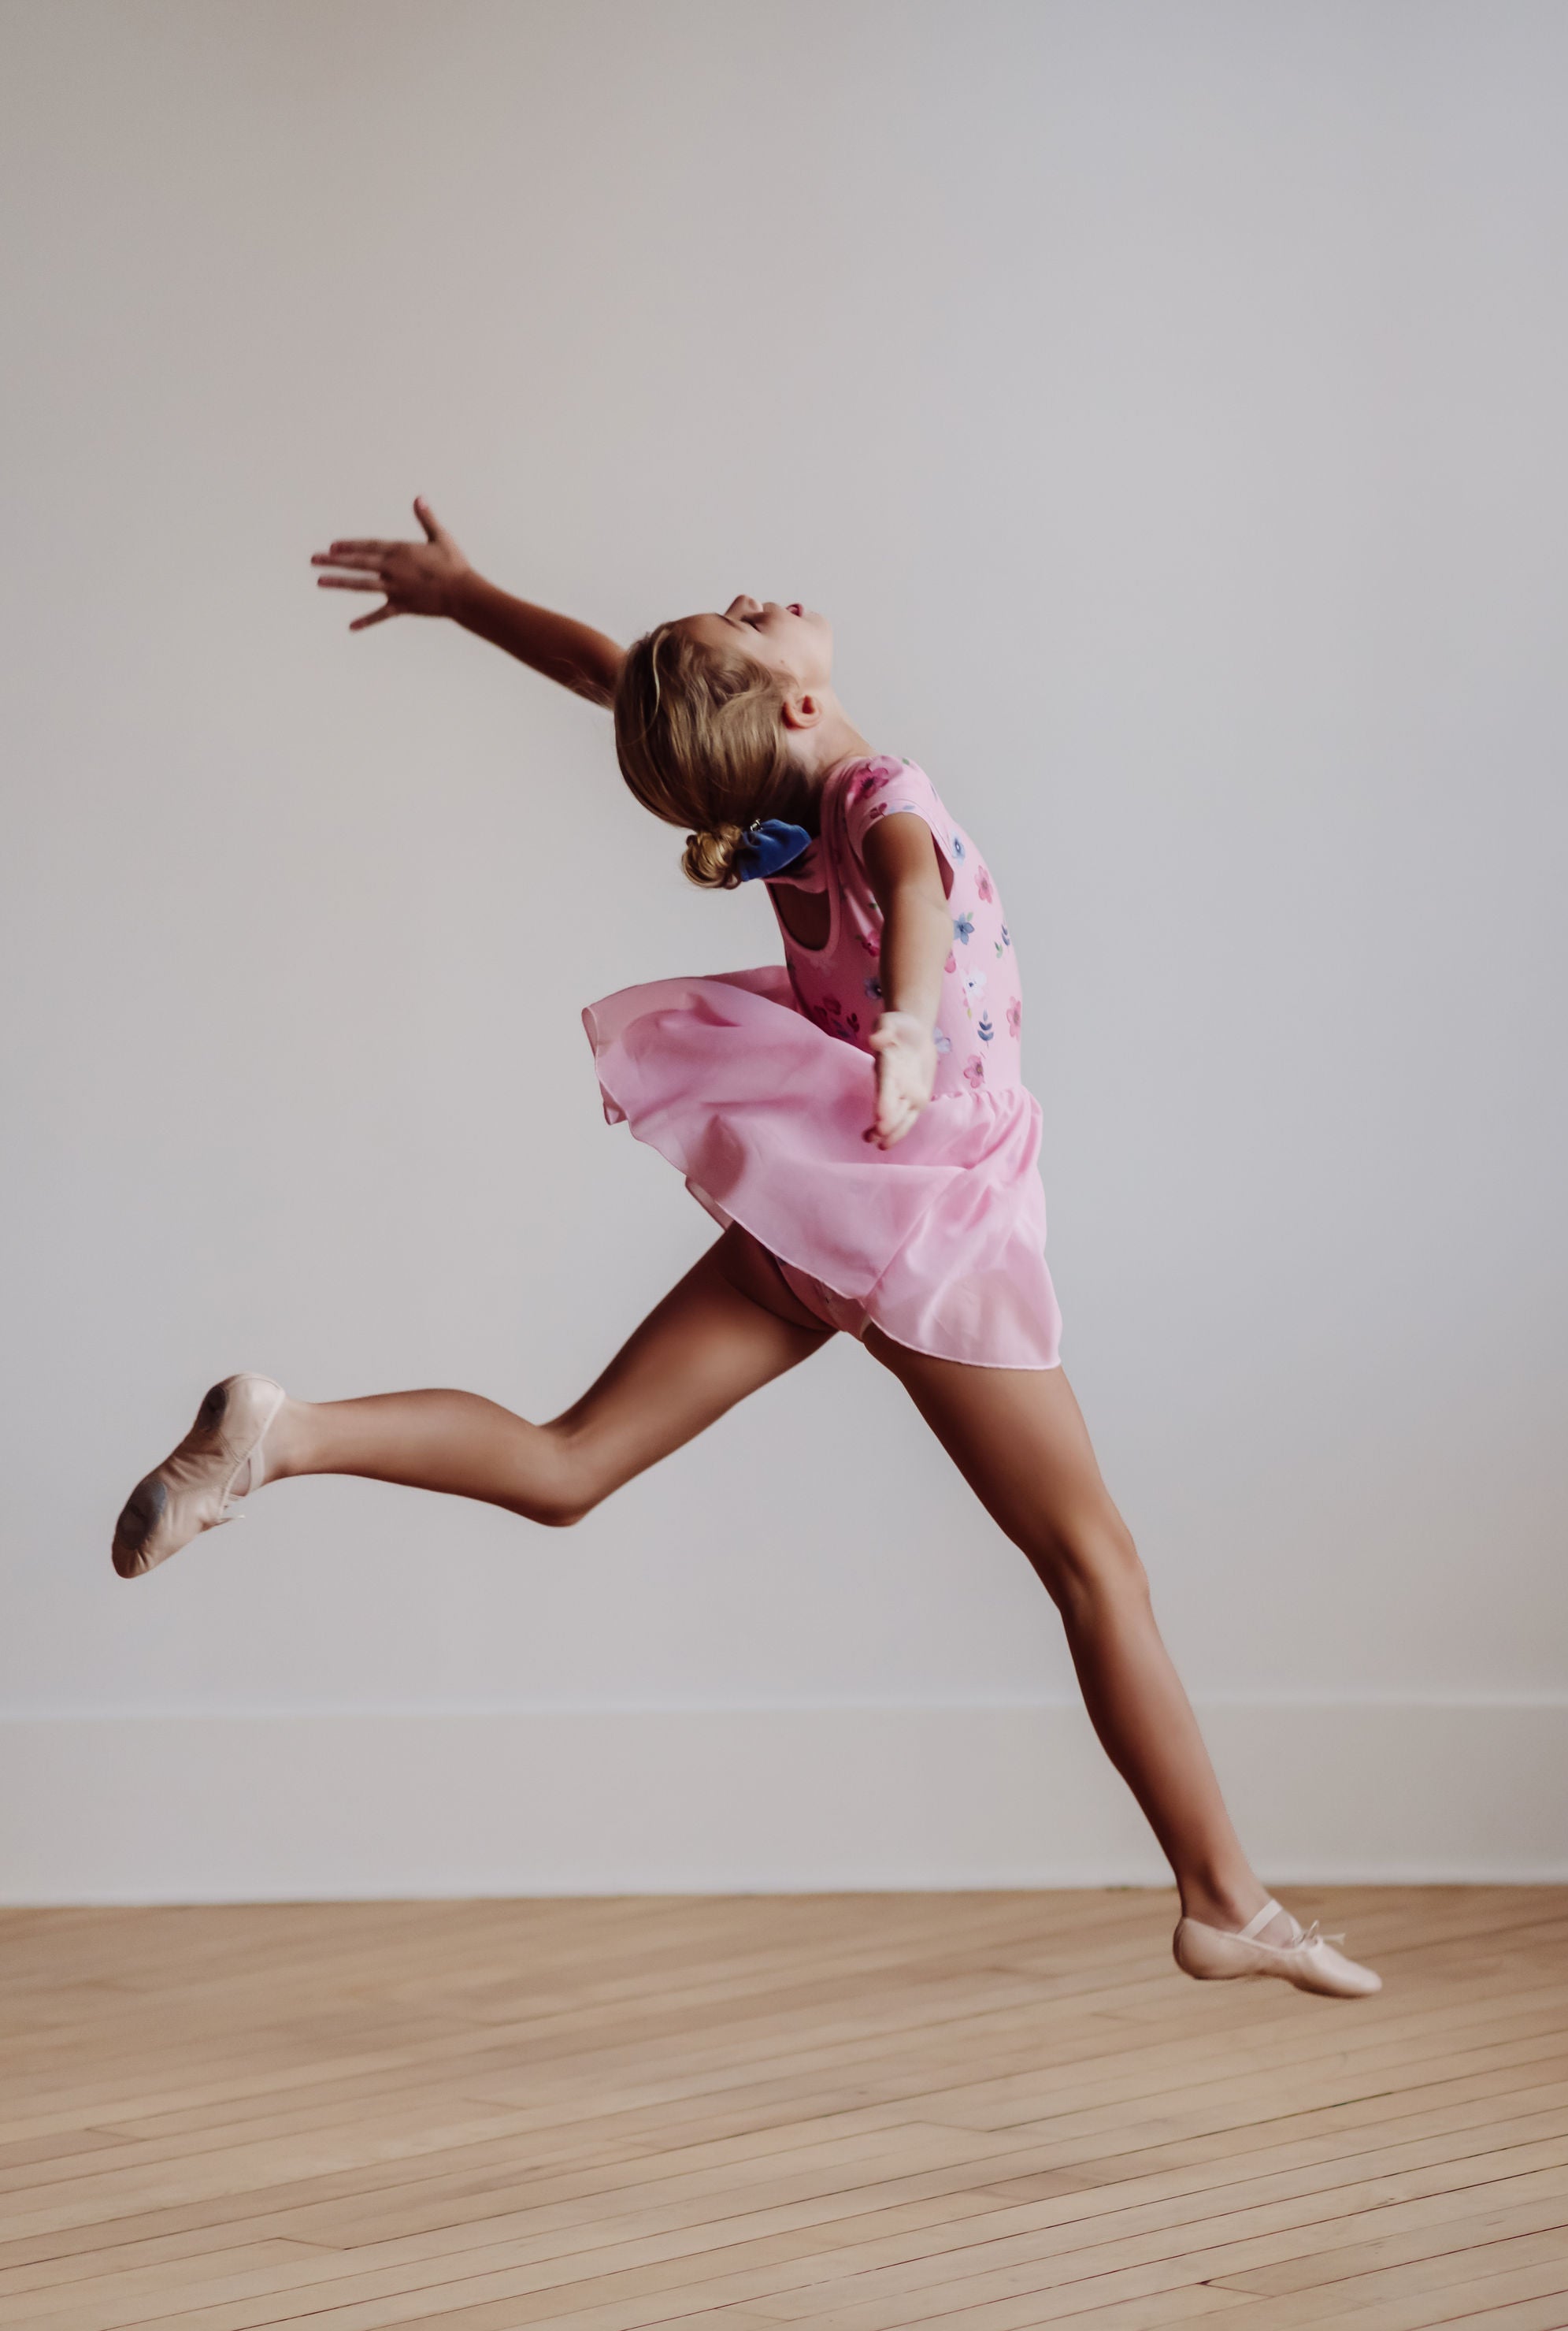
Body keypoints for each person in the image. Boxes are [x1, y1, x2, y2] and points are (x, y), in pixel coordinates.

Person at [109, 500, 1379, 1999]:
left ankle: (288, 1432)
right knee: (1094, 1564)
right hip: (923, 1208)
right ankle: (1223, 1899)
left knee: (573, 1461)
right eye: (745, 622)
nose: (751, 595)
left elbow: (612, 674)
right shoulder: (867, 788)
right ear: (792, 700)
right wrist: (909, 1026)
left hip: (816, 1212)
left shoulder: (773, 808)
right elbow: (910, 877)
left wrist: (471, 597)